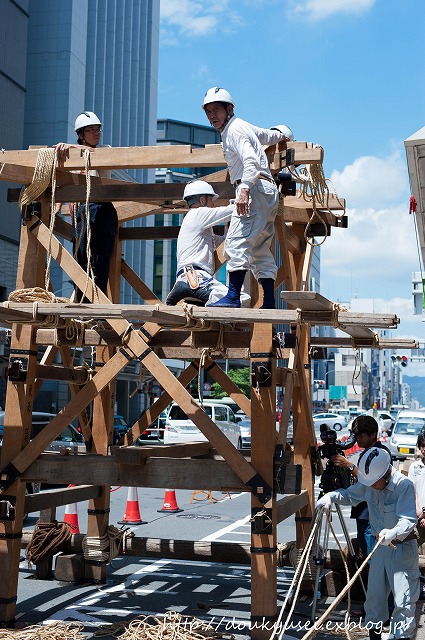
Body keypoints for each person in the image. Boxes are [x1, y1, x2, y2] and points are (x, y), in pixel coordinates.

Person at [201, 86, 293, 309]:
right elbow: (266, 135)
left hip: (254, 189)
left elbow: (250, 161)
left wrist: (244, 190)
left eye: (216, 110)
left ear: (229, 109)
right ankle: (269, 302)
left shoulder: (234, 130)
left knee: (235, 242)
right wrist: (283, 135)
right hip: (266, 192)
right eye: (208, 111)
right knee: (259, 248)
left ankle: (233, 297)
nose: (212, 115)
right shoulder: (241, 127)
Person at [317, 448, 420, 640]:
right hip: (380, 547)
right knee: (374, 597)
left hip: (402, 547)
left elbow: (408, 519)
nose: (370, 487)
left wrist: (394, 532)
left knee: (403, 600)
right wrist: (331, 497)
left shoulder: (403, 485)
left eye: (374, 483)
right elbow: (350, 495)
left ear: (387, 474)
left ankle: (401, 637)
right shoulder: (370, 482)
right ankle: (374, 635)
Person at [55, 111, 118, 298]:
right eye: (91, 130)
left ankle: (97, 304)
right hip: (80, 213)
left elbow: (93, 153)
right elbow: (65, 183)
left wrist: (70, 147)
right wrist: (56, 208)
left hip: (100, 209)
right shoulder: (73, 158)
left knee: (99, 260)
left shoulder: (104, 149)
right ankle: (83, 298)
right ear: (81, 135)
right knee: (80, 257)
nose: (96, 133)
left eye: (98, 130)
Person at [165, 180, 250, 307]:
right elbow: (230, 211)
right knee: (243, 299)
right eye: (211, 201)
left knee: (232, 301)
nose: (213, 204)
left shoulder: (194, 223)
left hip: (188, 277)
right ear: (203, 200)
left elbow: (224, 242)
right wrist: (245, 201)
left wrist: (229, 228)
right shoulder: (198, 213)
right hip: (196, 279)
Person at [331, 415, 391, 560]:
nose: (358, 439)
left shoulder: (380, 453)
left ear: (372, 435)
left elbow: (372, 481)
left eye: (362, 435)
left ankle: (372, 582)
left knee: (371, 558)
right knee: (365, 554)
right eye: (356, 435)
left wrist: (349, 465)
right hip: (363, 511)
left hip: (371, 513)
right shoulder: (366, 452)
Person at [408, 430, 425, 548]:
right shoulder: (415, 466)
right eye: (422, 446)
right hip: (418, 517)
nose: (424, 449)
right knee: (411, 547)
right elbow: (412, 490)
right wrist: (418, 511)